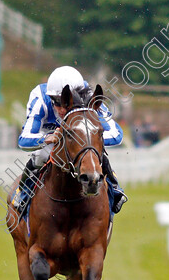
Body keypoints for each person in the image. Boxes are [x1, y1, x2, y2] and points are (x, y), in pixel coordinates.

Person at [12, 66, 127, 216]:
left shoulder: (89, 97)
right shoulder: (40, 98)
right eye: (56, 102)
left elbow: (116, 134)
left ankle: (115, 188)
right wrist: (47, 138)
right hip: (51, 136)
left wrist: (86, 139)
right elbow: (24, 139)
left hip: (80, 137)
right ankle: (24, 192)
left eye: (65, 102)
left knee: (95, 153)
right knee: (40, 156)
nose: (61, 108)